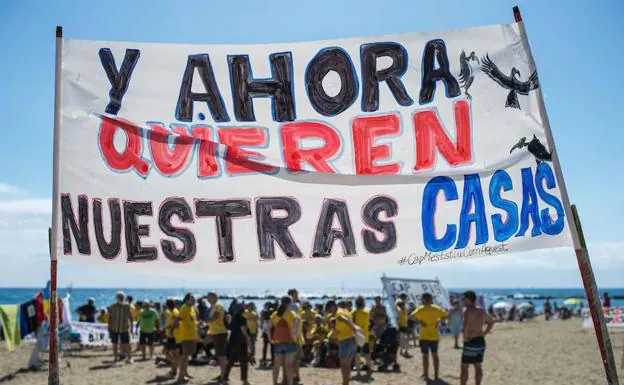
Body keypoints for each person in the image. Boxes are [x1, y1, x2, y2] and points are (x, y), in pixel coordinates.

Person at [410, 293, 448, 381]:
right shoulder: (435, 308)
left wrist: (420, 322)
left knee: (425, 356)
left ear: (423, 300)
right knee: (435, 356)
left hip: (424, 336)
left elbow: (411, 316)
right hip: (434, 336)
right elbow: (446, 315)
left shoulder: (421, 308)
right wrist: (438, 321)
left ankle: (426, 375)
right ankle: (436, 375)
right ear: (431, 299)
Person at [460, 290, 494, 385]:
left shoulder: (468, 311)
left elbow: (465, 326)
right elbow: (491, 321)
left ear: (468, 299)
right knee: (478, 366)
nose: (462, 301)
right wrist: (485, 333)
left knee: (464, 367)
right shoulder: (481, 310)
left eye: (464, 299)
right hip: (480, 340)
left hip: (470, 340)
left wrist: (465, 338)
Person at [223, 300, 253, 385]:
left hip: (233, 341)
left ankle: (225, 378)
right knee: (243, 362)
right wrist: (250, 344)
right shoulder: (242, 319)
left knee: (231, 361)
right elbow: (245, 333)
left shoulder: (234, 318)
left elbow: (231, 329)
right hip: (240, 342)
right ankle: (244, 380)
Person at [271, 296, 298, 385]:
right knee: (289, 367)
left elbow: (268, 328)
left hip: (278, 342)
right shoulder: (291, 314)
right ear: (289, 304)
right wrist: (295, 337)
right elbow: (294, 330)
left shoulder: (275, 314)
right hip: (290, 342)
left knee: (276, 366)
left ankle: (274, 383)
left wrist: (271, 340)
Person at [173, 293, 199, 383]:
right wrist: (172, 331)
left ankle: (184, 374)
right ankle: (180, 376)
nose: (194, 300)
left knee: (186, 356)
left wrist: (199, 324)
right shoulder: (185, 308)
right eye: (192, 299)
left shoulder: (192, 308)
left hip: (191, 335)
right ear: (187, 300)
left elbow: (192, 321)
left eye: (194, 299)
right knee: (184, 357)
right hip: (186, 337)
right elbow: (177, 319)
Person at [206, 292, 228, 382]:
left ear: (215, 297)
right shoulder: (214, 306)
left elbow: (216, 316)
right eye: (207, 298)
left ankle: (224, 376)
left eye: (210, 297)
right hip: (216, 333)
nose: (208, 299)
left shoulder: (218, 305)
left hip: (220, 333)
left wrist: (206, 321)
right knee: (220, 355)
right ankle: (223, 375)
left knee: (221, 356)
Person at [334, 301, 358, 385]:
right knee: (347, 365)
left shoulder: (339, 311)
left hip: (345, 341)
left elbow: (343, 319)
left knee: (344, 365)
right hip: (352, 339)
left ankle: (345, 383)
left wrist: (353, 328)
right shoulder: (347, 312)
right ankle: (346, 382)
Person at [108, 291, 133, 363]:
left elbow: (131, 317)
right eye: (119, 297)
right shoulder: (112, 306)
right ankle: (115, 357)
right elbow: (110, 317)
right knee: (115, 344)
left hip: (124, 328)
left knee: (127, 344)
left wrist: (131, 327)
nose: (120, 298)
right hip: (114, 328)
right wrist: (109, 326)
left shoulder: (127, 306)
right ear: (116, 298)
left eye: (121, 297)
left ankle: (129, 357)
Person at [352, 296, 372, 377]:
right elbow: (368, 325)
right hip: (365, 337)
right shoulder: (367, 313)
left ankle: (358, 371)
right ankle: (369, 369)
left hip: (356, 337)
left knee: (357, 355)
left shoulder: (352, 313)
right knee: (367, 354)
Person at [287, 289, 303, 384]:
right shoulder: (294, 306)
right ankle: (296, 376)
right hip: (295, 335)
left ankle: (293, 376)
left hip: (291, 334)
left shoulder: (286, 306)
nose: (297, 296)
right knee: (295, 358)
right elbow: (295, 321)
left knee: (291, 358)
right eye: (296, 294)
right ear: (291, 295)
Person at [163, 299, 180, 378]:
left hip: (173, 336)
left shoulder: (174, 313)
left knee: (167, 352)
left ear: (167, 305)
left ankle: (175, 368)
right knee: (173, 354)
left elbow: (176, 325)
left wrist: (168, 327)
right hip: (172, 336)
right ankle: (174, 369)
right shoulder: (173, 312)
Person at [260, 301, 275, 367]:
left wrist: (262, 331)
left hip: (265, 329)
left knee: (265, 346)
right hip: (272, 330)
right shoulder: (273, 312)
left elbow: (262, 321)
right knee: (272, 346)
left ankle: (264, 359)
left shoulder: (263, 312)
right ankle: (273, 360)